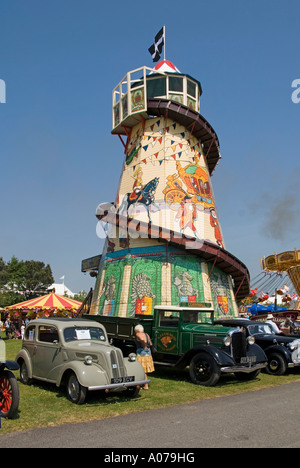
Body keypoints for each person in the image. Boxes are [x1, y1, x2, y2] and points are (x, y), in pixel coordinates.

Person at [134, 324, 155, 390]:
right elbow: (150, 343)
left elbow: (142, 340)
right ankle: (145, 385)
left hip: (141, 353)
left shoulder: (138, 334)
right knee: (145, 370)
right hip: (148, 353)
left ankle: (141, 384)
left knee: (140, 369)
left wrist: (144, 345)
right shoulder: (146, 334)